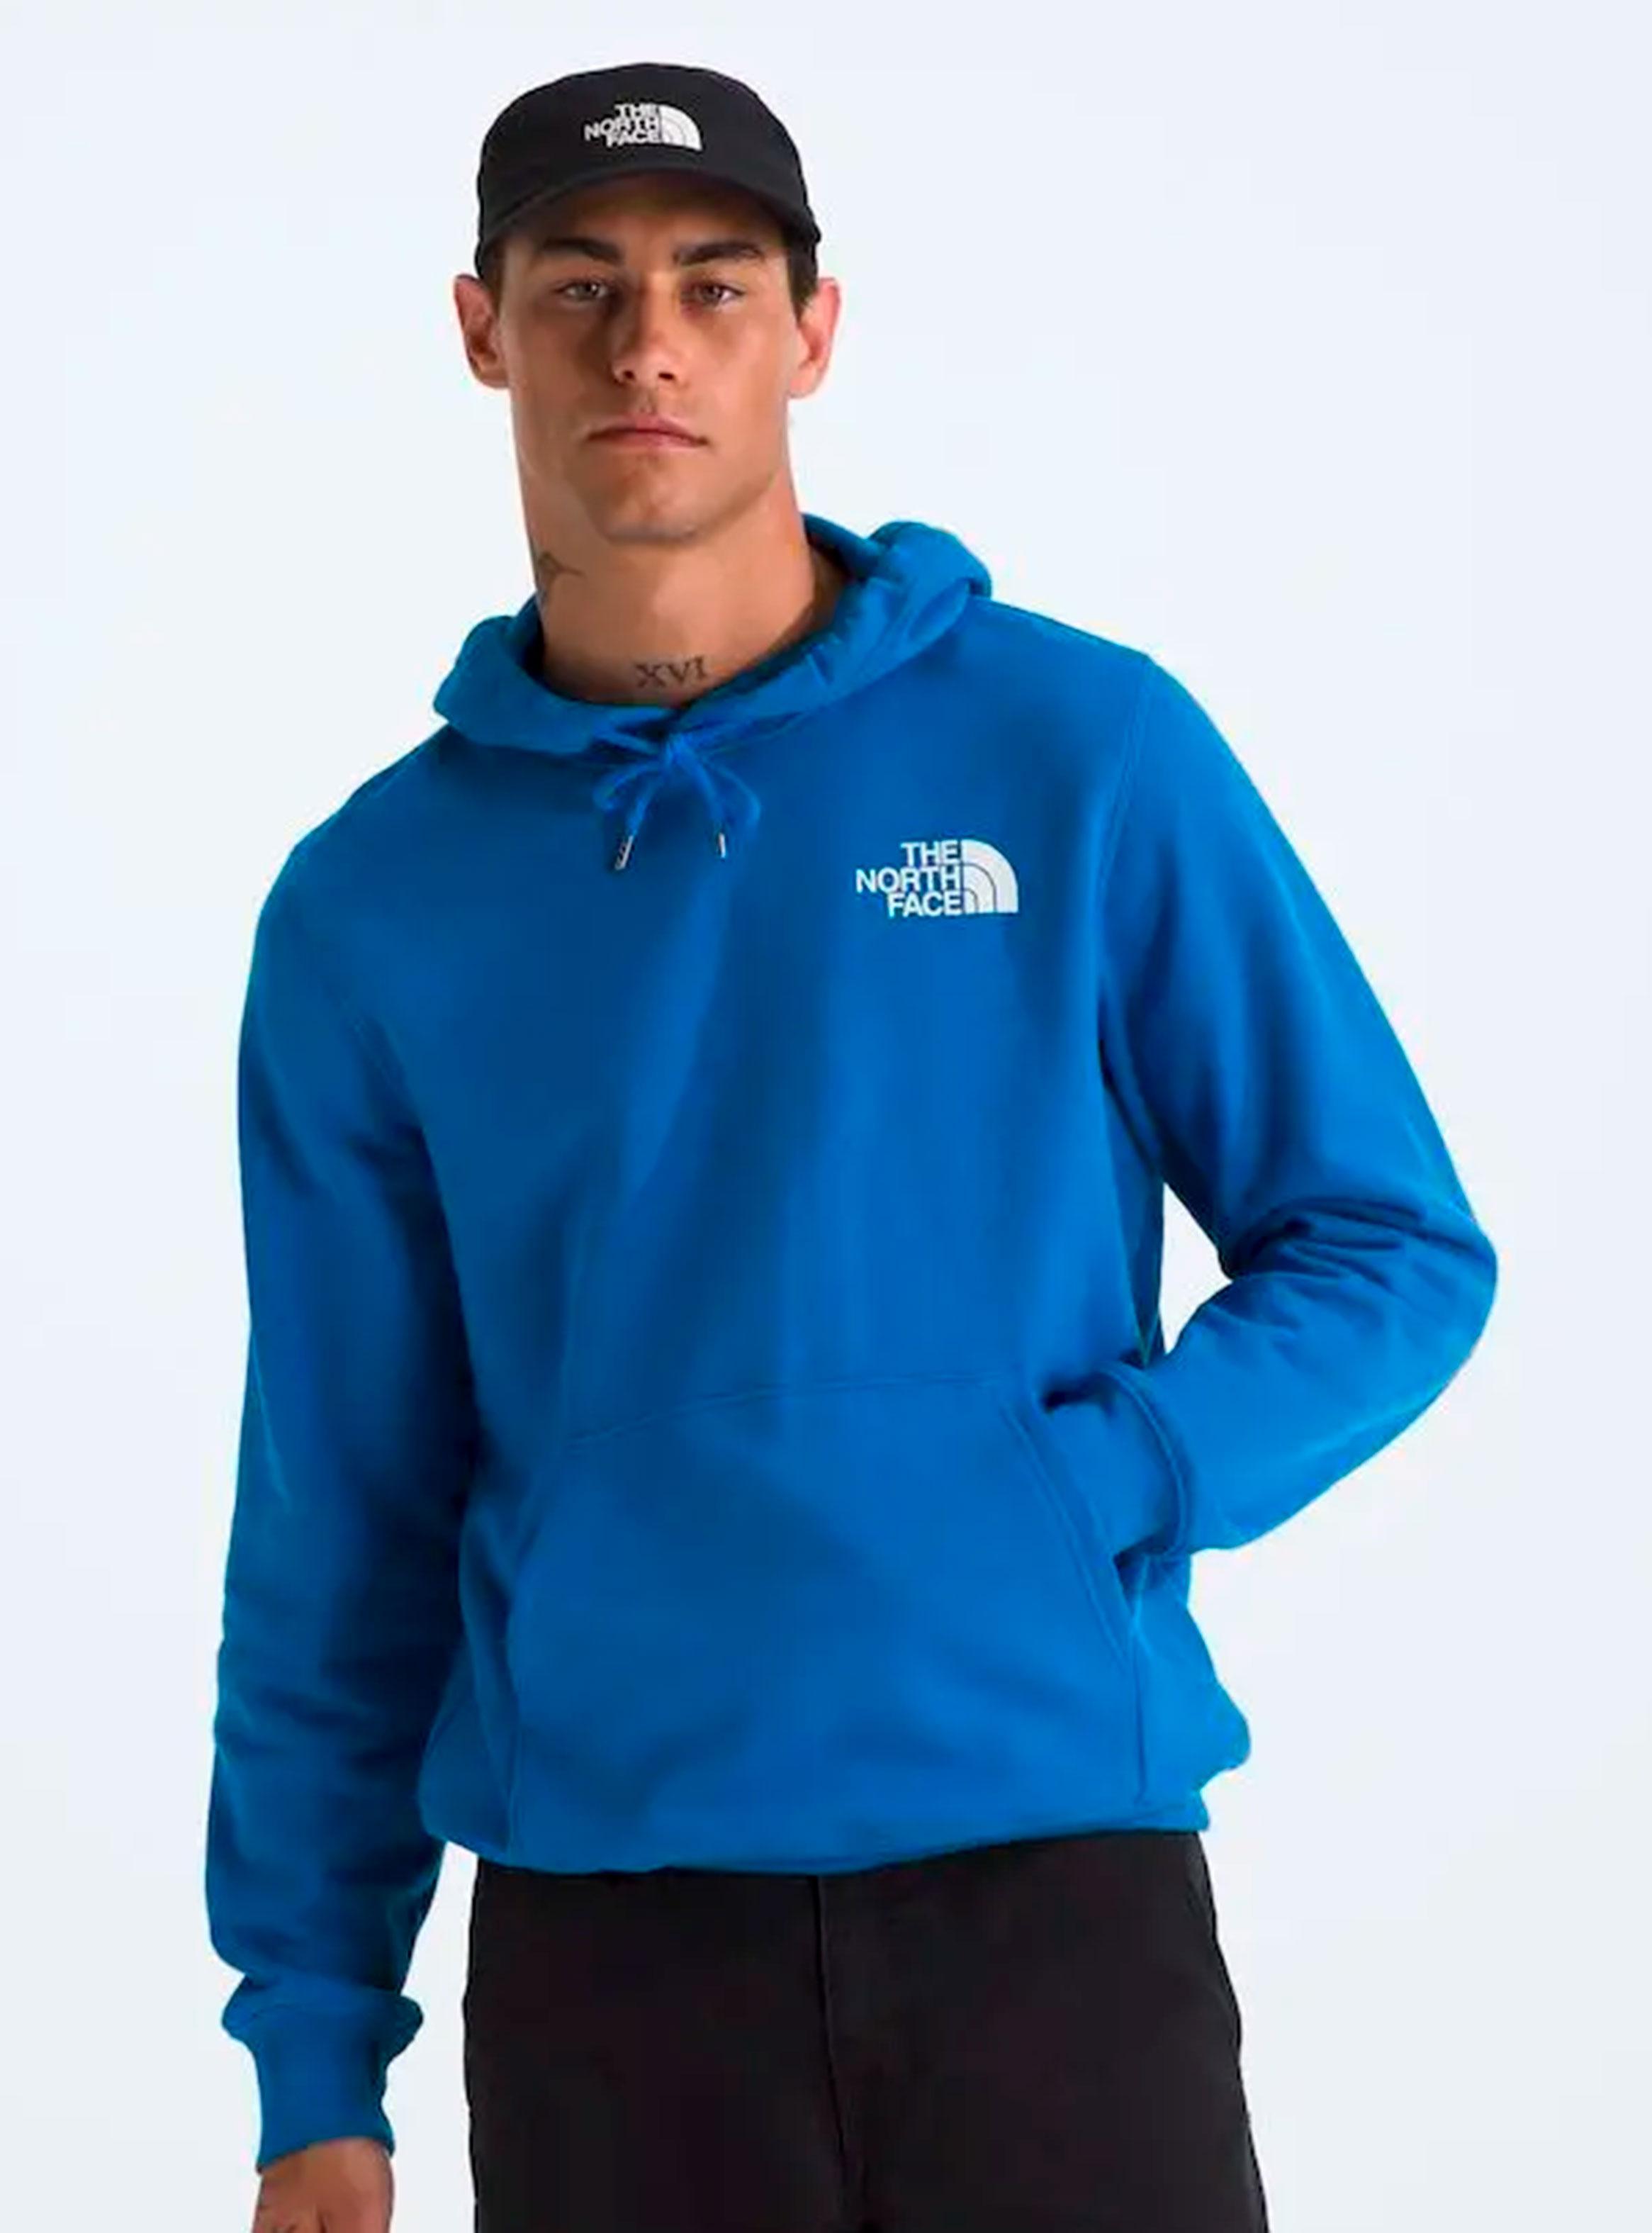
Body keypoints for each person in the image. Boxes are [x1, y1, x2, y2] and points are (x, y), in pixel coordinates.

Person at [203, 58, 1499, 2233]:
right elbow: (340, 1502)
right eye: (580, 286)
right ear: (482, 329)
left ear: (808, 333)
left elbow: (1385, 1243)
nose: (647, 346)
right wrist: (313, 2049)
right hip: (609, 1951)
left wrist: (1098, 1483)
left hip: (1051, 1895)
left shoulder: (1077, 750)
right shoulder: (373, 905)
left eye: (713, 285)